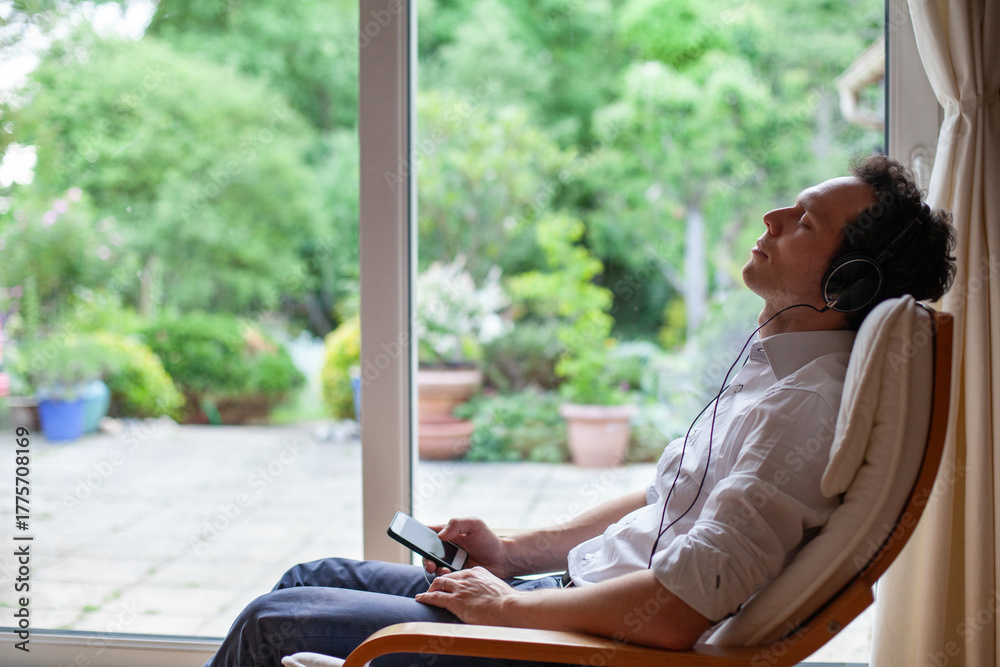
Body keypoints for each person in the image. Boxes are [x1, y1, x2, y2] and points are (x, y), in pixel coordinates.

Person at [204, 154, 956, 667]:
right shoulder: (774, 373)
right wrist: (511, 556)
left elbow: (677, 610)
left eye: (804, 222)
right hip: (559, 605)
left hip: (574, 645)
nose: (771, 215)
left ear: (849, 283)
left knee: (274, 624)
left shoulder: (804, 409)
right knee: (307, 574)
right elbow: (665, 503)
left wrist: (506, 611)